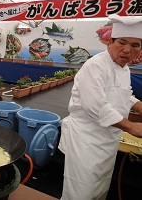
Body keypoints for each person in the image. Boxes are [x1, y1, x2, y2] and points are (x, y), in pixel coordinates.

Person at [58, 14, 142, 200]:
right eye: (122, 42)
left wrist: (138, 104)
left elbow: (122, 94)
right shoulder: (95, 66)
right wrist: (131, 126)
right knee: (81, 192)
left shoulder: (124, 68)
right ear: (110, 42)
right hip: (86, 140)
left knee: (99, 188)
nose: (127, 50)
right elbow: (96, 106)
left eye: (135, 45)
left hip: (108, 140)